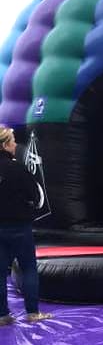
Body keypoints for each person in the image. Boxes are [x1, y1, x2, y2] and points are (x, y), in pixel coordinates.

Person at [0, 125, 52, 326]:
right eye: (13, 142)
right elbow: (37, 196)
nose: (15, 146)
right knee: (28, 267)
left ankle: (2, 315)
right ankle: (32, 312)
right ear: (5, 145)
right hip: (19, 226)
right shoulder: (18, 169)